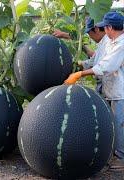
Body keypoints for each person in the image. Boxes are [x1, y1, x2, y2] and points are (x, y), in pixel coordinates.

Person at [64, 11, 124, 169]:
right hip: (112, 89)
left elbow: (107, 66)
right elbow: (97, 60)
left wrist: (80, 74)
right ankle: (114, 155)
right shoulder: (112, 41)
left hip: (121, 91)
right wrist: (81, 65)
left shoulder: (121, 44)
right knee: (112, 123)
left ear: (110, 27)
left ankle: (121, 160)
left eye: (106, 28)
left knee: (119, 124)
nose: (105, 31)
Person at [54, 17, 109, 94]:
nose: (90, 37)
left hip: (116, 92)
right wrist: (79, 64)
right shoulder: (103, 43)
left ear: (96, 29)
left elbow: (104, 66)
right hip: (106, 90)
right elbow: (94, 58)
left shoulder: (110, 43)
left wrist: (79, 74)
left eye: (89, 33)